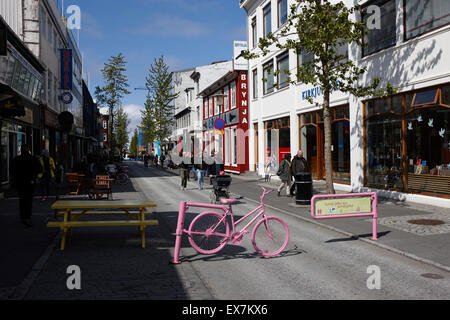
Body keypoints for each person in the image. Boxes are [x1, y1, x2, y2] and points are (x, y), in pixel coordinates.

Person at [11, 144, 41, 227]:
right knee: (29, 200)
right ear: (28, 150)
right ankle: (27, 217)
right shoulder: (33, 159)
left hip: (20, 183)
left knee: (22, 199)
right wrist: (34, 177)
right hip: (30, 183)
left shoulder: (16, 159)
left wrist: (15, 180)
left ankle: (23, 216)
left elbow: (12, 171)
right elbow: (40, 169)